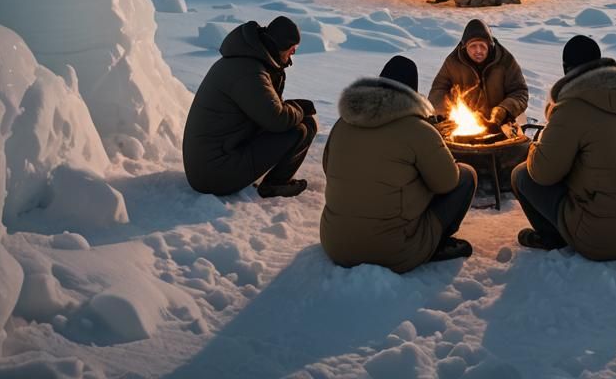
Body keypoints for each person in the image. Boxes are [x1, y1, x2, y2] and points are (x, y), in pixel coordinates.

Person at [511, 34, 616, 258]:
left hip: (603, 238)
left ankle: (553, 237)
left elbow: (542, 173)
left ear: (566, 69)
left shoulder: (569, 111)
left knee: (522, 175)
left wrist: (537, 143)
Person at [320, 55, 477, 272]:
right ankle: (433, 244)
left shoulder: (344, 122)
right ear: (411, 93)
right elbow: (448, 183)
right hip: (392, 251)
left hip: (335, 243)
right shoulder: (418, 130)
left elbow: (328, 168)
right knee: (466, 175)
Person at [182, 16, 317, 198]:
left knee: (302, 123)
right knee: (300, 129)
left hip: (212, 163)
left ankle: (273, 181)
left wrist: (294, 107)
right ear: (280, 47)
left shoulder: (245, 62)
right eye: (291, 52)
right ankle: (275, 185)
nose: (290, 59)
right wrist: (300, 108)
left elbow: (266, 112)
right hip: (214, 174)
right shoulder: (249, 72)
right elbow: (277, 120)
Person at [429, 18, 529, 127]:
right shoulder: (453, 62)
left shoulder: (505, 60)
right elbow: (437, 90)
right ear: (465, 47)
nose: (478, 51)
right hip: (465, 123)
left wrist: (504, 110)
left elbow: (520, 92)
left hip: (500, 123)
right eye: (473, 46)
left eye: (482, 46)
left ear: (489, 47)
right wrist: (448, 112)